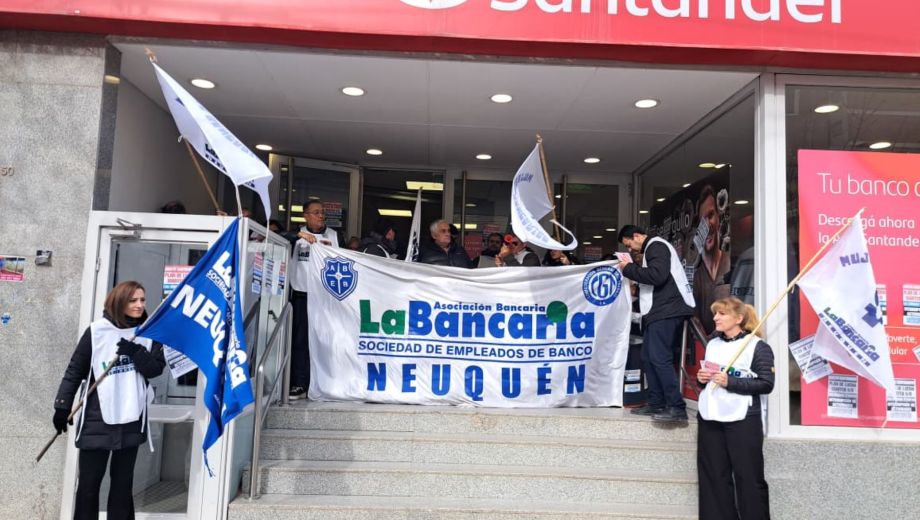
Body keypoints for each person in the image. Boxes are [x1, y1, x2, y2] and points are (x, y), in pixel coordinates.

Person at [53, 281, 165, 520]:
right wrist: (62, 406)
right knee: (89, 486)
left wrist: (135, 352)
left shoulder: (147, 333)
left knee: (123, 487)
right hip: (97, 419)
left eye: (142, 300)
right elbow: (75, 370)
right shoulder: (97, 331)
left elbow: (156, 369)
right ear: (119, 301)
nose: (139, 305)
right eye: (133, 300)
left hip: (131, 420)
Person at [696, 297, 774, 520]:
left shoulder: (757, 346)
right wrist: (703, 379)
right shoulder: (712, 344)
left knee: (748, 477)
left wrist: (731, 382)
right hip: (711, 417)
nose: (715, 318)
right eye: (715, 313)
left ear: (738, 318)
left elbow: (766, 383)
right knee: (713, 477)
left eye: (721, 314)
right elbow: (709, 379)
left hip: (742, 419)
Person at [618, 224, 695, 422]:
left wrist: (629, 269)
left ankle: (676, 406)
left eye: (629, 244)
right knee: (648, 357)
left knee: (659, 358)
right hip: (658, 312)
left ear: (636, 236)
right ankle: (656, 402)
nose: (630, 249)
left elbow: (657, 276)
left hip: (667, 311)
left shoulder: (656, 246)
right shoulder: (652, 248)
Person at [286, 200, 339, 400]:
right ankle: (299, 383)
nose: (320, 216)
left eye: (322, 212)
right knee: (300, 342)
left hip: (326, 298)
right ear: (305, 215)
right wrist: (298, 235)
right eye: (316, 212)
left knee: (325, 340)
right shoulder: (295, 235)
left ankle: (325, 382)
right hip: (302, 295)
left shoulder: (333, 235)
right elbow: (274, 236)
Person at [694, 185, 731, 335]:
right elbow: (694, 319)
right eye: (703, 220)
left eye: (710, 216)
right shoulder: (698, 276)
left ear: (718, 216)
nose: (707, 225)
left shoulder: (730, 264)